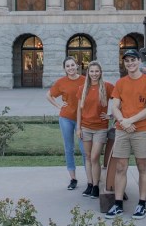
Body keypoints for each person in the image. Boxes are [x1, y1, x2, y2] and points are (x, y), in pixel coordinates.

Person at [105, 49, 146, 220]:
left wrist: (130, 121)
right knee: (120, 167)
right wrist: (123, 121)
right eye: (127, 61)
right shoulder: (120, 83)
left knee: (142, 167)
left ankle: (142, 204)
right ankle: (118, 204)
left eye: (133, 60)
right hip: (123, 130)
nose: (130, 63)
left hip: (141, 130)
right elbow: (114, 107)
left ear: (139, 61)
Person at [75, 60, 114, 199]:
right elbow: (79, 110)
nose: (94, 74)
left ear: (101, 72)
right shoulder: (82, 88)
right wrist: (78, 128)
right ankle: (90, 184)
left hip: (100, 128)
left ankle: (96, 186)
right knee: (88, 157)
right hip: (85, 127)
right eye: (92, 71)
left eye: (97, 71)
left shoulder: (107, 87)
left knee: (94, 157)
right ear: (88, 73)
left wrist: (111, 114)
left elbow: (119, 100)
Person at [46, 56, 86, 190]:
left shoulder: (85, 80)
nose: (70, 68)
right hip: (66, 118)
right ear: (64, 69)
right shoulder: (61, 82)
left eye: (72, 65)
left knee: (84, 150)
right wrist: (58, 106)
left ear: (77, 66)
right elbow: (48, 95)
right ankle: (73, 179)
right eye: (68, 66)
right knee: (69, 149)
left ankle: (91, 179)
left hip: (83, 119)